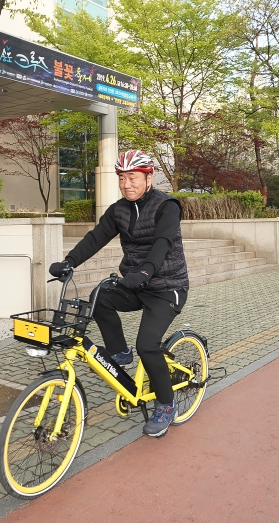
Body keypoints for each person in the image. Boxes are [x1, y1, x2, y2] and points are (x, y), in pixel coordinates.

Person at [49, 150, 188, 438]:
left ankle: (165, 404)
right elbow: (96, 238)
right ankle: (119, 353)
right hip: (135, 285)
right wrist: (69, 261)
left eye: (133, 178)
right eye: (122, 178)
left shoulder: (167, 206)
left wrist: (146, 272)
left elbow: (163, 242)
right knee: (99, 299)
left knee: (148, 346)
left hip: (166, 288)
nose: (127, 184)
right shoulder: (119, 210)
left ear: (148, 178)